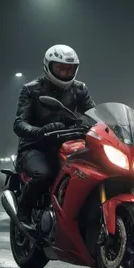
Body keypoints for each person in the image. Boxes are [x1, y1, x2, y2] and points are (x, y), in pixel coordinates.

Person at [13, 44, 95, 224]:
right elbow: (19, 124)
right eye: (61, 68)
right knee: (43, 174)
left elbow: (94, 115)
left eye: (70, 69)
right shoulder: (31, 89)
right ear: (48, 66)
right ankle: (23, 211)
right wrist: (39, 131)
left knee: (91, 173)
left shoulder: (80, 89)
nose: (66, 73)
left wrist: (97, 124)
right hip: (36, 147)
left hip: (69, 145)